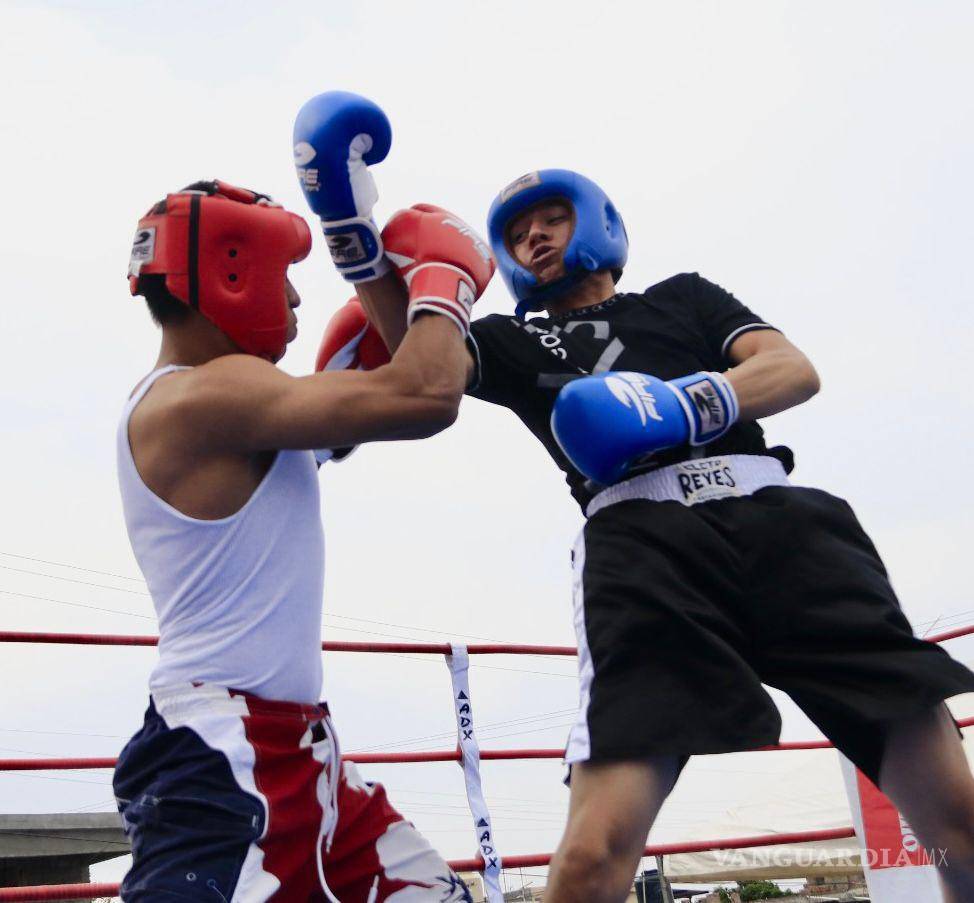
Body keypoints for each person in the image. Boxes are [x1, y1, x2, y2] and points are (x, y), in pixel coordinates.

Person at [362, 168, 974, 903]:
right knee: (591, 857)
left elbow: (792, 369)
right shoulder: (512, 341)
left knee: (959, 827)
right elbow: (423, 365)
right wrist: (354, 237)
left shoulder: (683, 297)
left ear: (597, 223)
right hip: (644, 551)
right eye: (519, 231)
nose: (534, 236)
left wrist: (680, 406)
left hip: (785, 531)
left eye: (551, 217)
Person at [114, 93, 491, 901]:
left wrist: (366, 258)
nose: (292, 300)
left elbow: (387, 385)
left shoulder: (244, 410)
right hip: (219, 758)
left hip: (302, 756)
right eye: (286, 276)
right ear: (230, 270)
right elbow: (428, 391)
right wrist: (443, 279)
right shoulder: (200, 400)